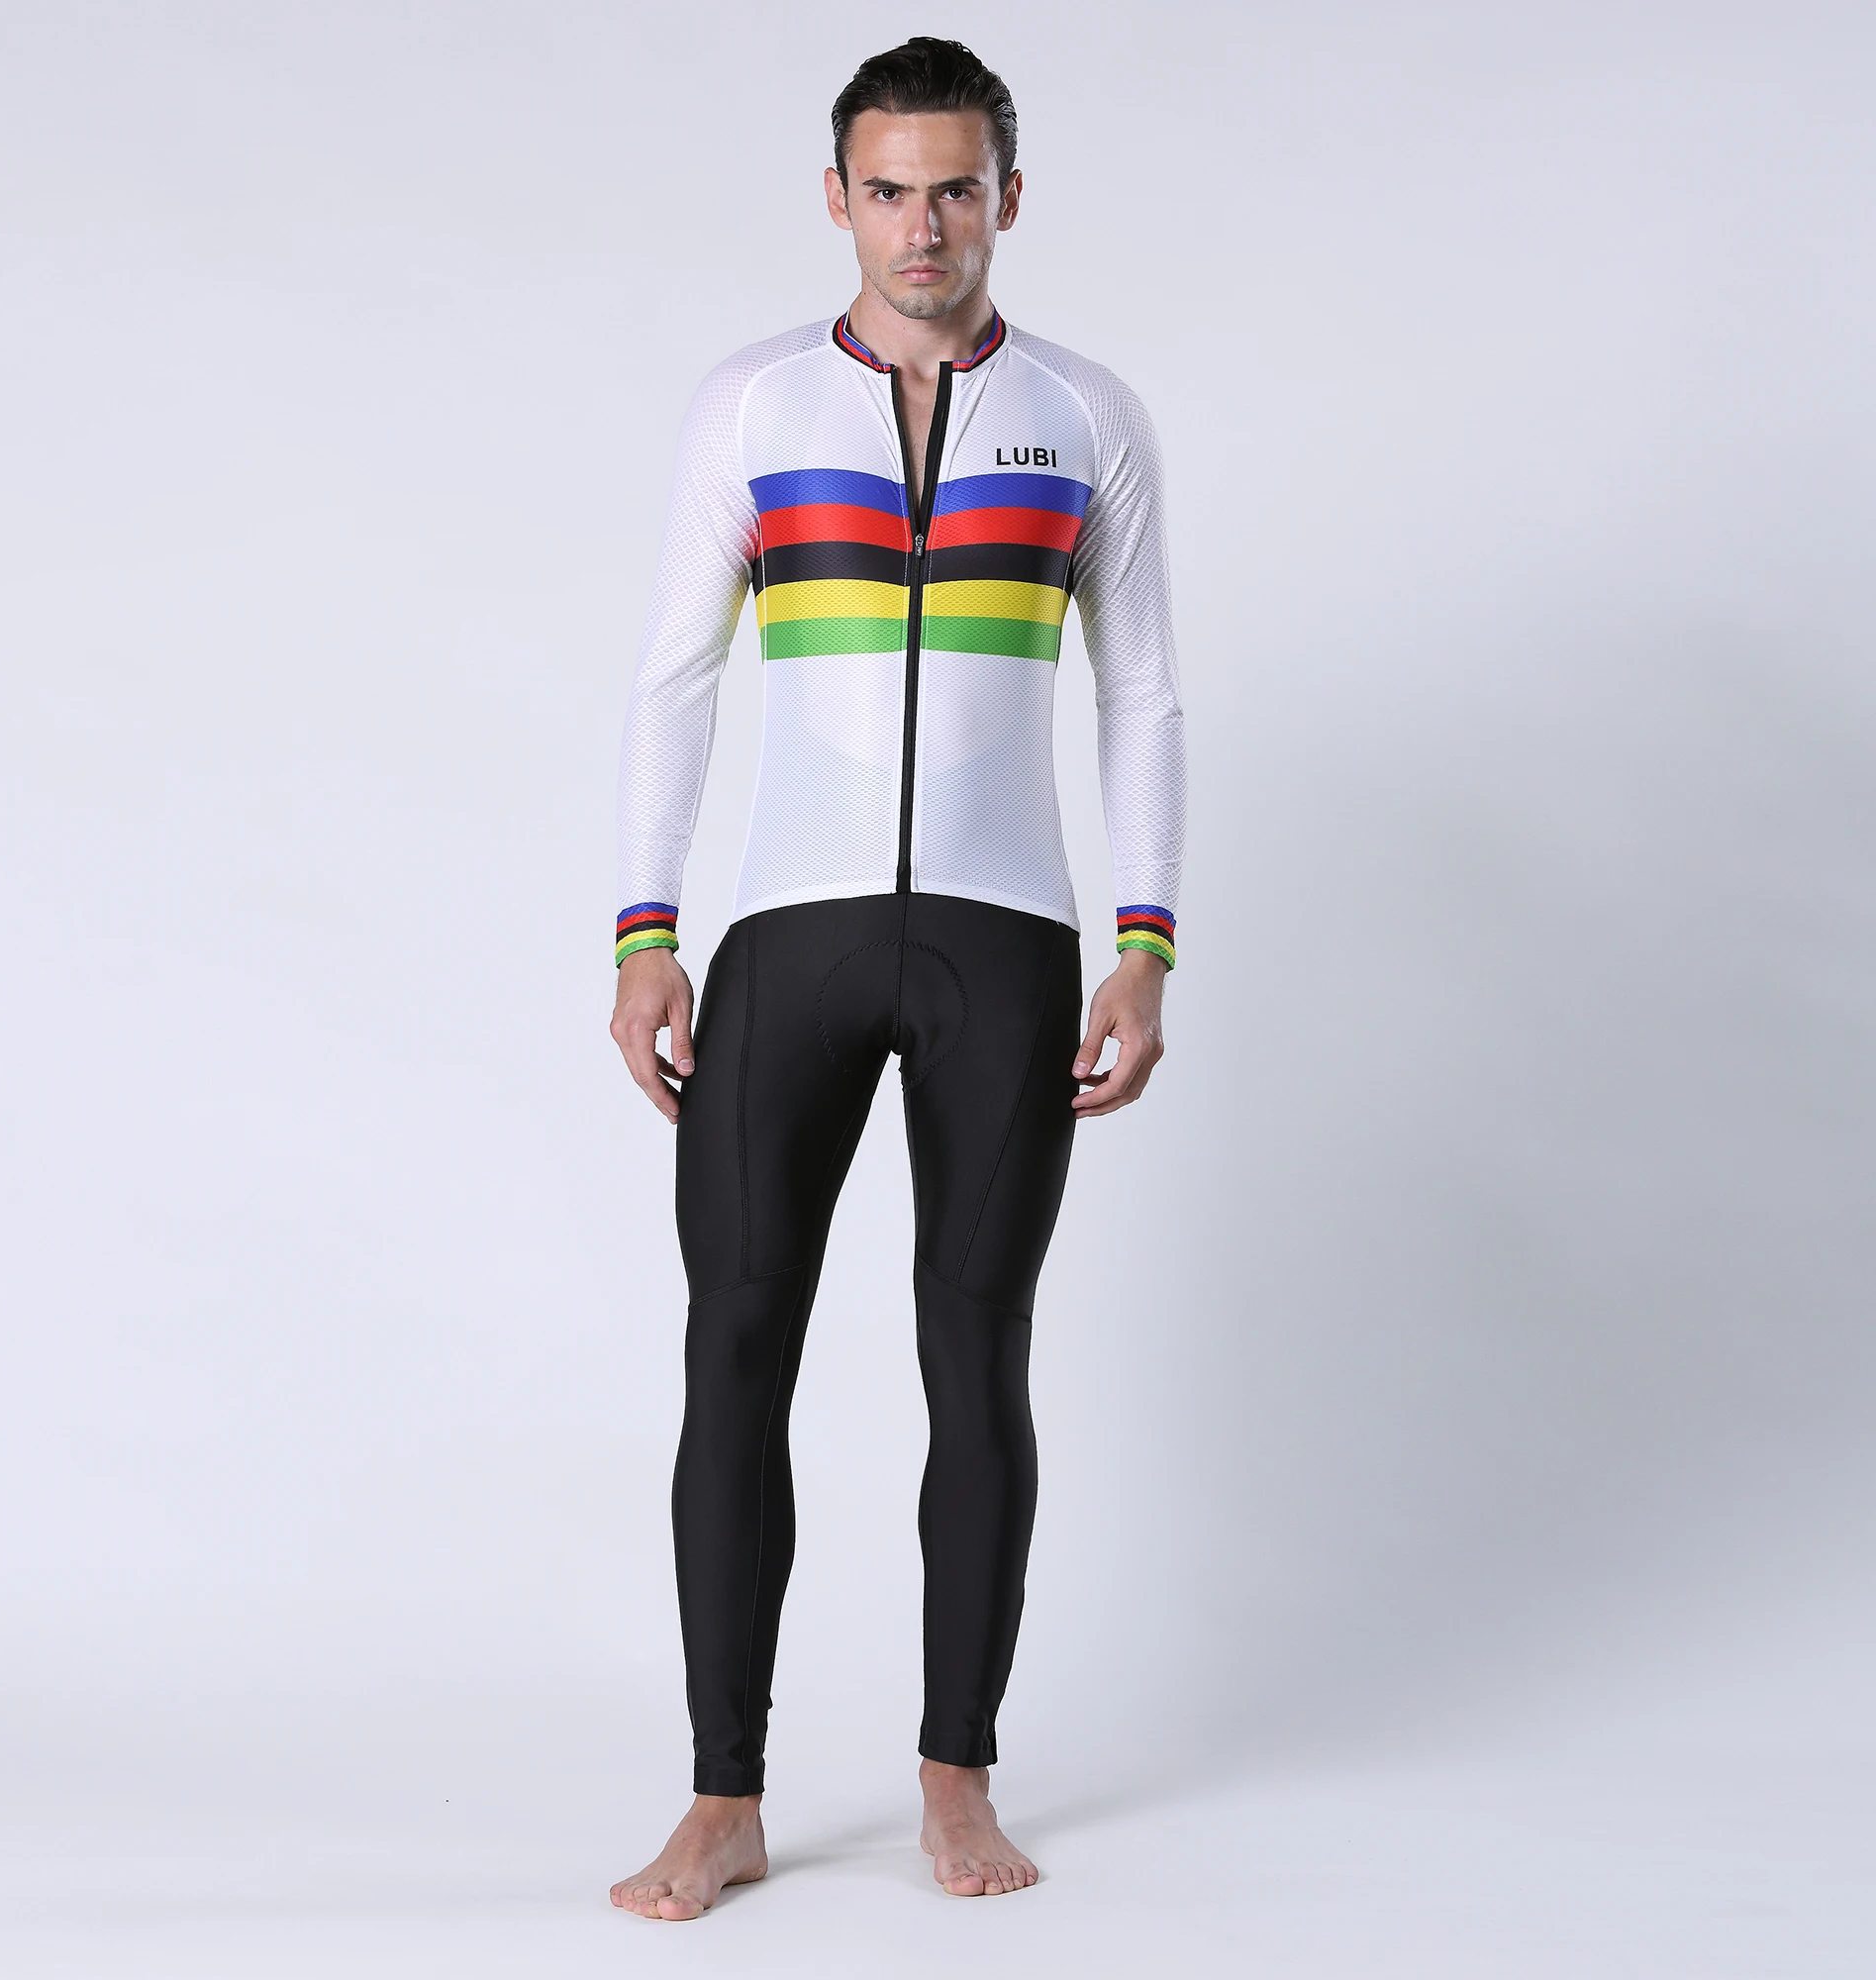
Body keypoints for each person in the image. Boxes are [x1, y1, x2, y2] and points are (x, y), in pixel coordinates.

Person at [606, 37, 1185, 1920]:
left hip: (1006, 943)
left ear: (1008, 198)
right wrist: (643, 931)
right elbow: (674, 680)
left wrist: (1146, 943)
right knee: (734, 1350)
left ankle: (956, 1775)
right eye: (887, 190)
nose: (921, 226)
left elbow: (1143, 693)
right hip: (793, 932)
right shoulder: (754, 406)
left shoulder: (1087, 415)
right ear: (836, 199)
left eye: (954, 190)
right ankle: (724, 1797)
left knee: (976, 1357)